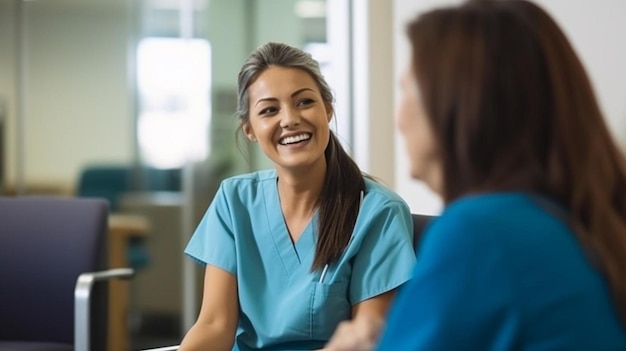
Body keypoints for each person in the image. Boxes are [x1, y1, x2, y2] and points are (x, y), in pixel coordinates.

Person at [324, 0, 626, 350]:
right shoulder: (572, 219)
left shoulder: (481, 233)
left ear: (455, 106)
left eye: (406, 90)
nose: (399, 119)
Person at [178, 42, 416, 351]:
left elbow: (366, 341)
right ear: (250, 129)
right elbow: (214, 325)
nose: (289, 119)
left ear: (327, 110)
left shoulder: (377, 212)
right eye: (269, 110)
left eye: (304, 102)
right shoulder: (233, 201)